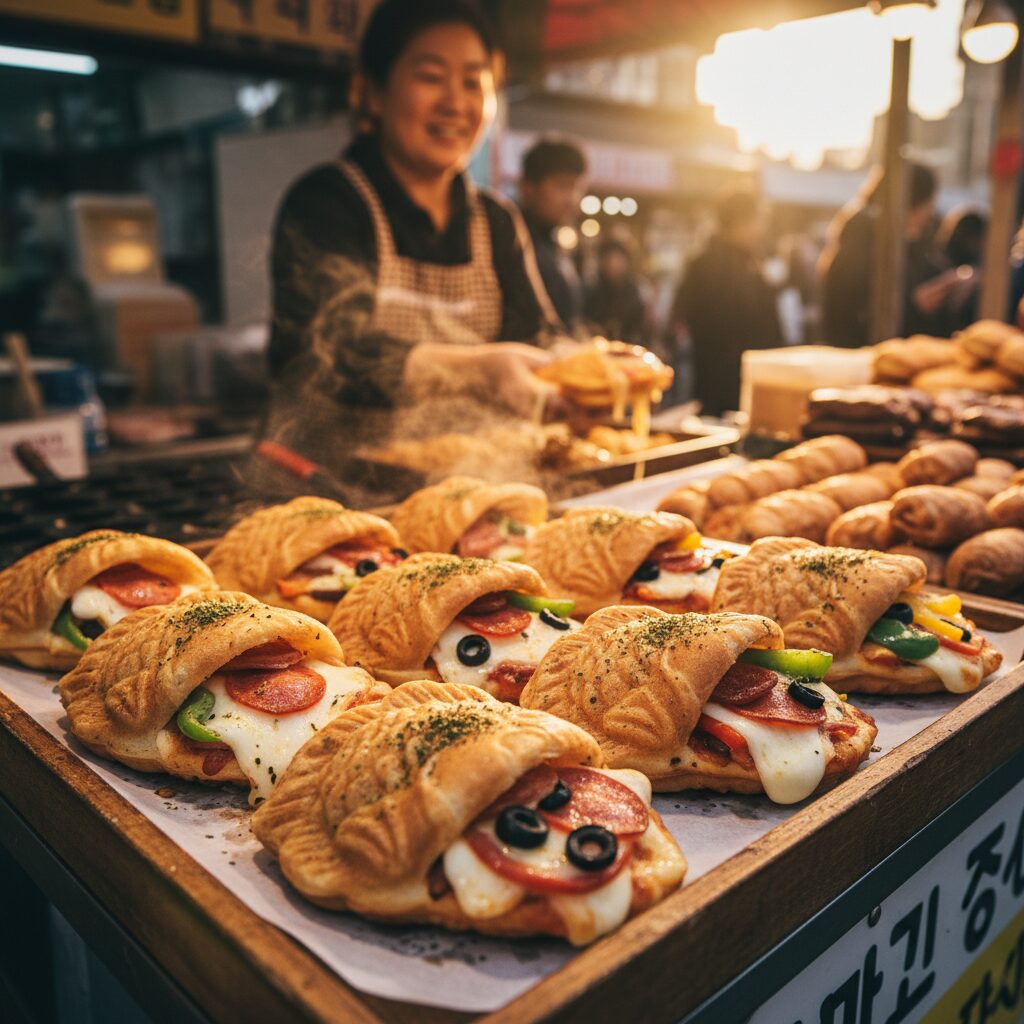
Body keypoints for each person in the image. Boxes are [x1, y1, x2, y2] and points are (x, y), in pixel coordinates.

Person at [265, 0, 561, 487]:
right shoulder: (328, 201)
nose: (455, 102)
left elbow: (538, 341)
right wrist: (478, 370)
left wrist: (592, 368)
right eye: (431, 76)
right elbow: (324, 351)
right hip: (333, 490)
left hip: (471, 490)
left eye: (473, 81)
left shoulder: (496, 221)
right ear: (374, 92)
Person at [672, 191, 781, 416]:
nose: (760, 229)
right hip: (726, 387)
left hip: (721, 382)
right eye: (757, 220)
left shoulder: (739, 261)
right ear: (739, 222)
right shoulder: (720, 266)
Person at [819, 163, 949, 346]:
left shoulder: (866, 230)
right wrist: (914, 304)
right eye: (929, 203)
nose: (929, 213)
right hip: (860, 354)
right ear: (914, 201)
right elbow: (862, 307)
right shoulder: (871, 236)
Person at [517, 137, 587, 332]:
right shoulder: (512, 242)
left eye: (578, 188)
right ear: (528, 187)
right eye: (562, 186)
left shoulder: (554, 244)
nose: (572, 199)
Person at [584, 237, 651, 346]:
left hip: (630, 351)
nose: (613, 264)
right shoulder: (592, 289)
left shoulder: (635, 291)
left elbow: (642, 329)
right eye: (608, 259)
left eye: (618, 259)